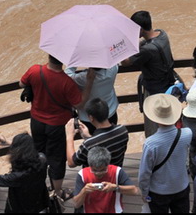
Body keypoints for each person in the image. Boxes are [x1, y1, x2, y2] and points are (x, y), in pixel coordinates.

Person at [19, 53, 83, 192]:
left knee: (38, 154)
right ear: (64, 61)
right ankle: (57, 193)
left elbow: (21, 83)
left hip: (37, 121)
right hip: (58, 125)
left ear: (49, 56)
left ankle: (38, 188)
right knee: (57, 159)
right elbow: (78, 104)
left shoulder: (35, 70)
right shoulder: (68, 82)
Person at [123, 10, 177, 138]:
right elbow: (145, 44)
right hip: (168, 85)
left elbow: (125, 62)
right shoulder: (162, 34)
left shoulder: (147, 50)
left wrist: (126, 41)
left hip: (154, 90)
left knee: (154, 125)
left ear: (140, 29)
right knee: (168, 122)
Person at [138, 93, 193, 213]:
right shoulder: (187, 134)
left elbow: (144, 174)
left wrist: (144, 193)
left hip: (158, 192)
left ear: (154, 117)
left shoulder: (150, 143)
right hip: (181, 186)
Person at [0, 133, 50, 213]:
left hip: (19, 209)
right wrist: (7, 141)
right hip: (40, 204)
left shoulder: (17, 177)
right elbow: (26, 148)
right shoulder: (42, 159)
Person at [70, 145, 139, 213]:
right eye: (94, 170)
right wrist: (84, 191)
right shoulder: (82, 174)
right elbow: (76, 204)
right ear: (90, 166)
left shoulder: (117, 171)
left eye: (103, 170)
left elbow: (134, 191)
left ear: (108, 165)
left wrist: (115, 188)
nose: (98, 173)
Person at [67, 97, 131, 169]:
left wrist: (69, 136)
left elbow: (71, 163)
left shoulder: (89, 144)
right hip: (115, 175)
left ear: (91, 118)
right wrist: (88, 137)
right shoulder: (122, 131)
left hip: (94, 178)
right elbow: (104, 142)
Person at [66, 63, 120, 130]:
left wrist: (76, 61)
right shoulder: (113, 69)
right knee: (111, 137)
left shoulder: (82, 78)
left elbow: (67, 75)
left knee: (91, 139)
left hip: (88, 119)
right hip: (110, 113)